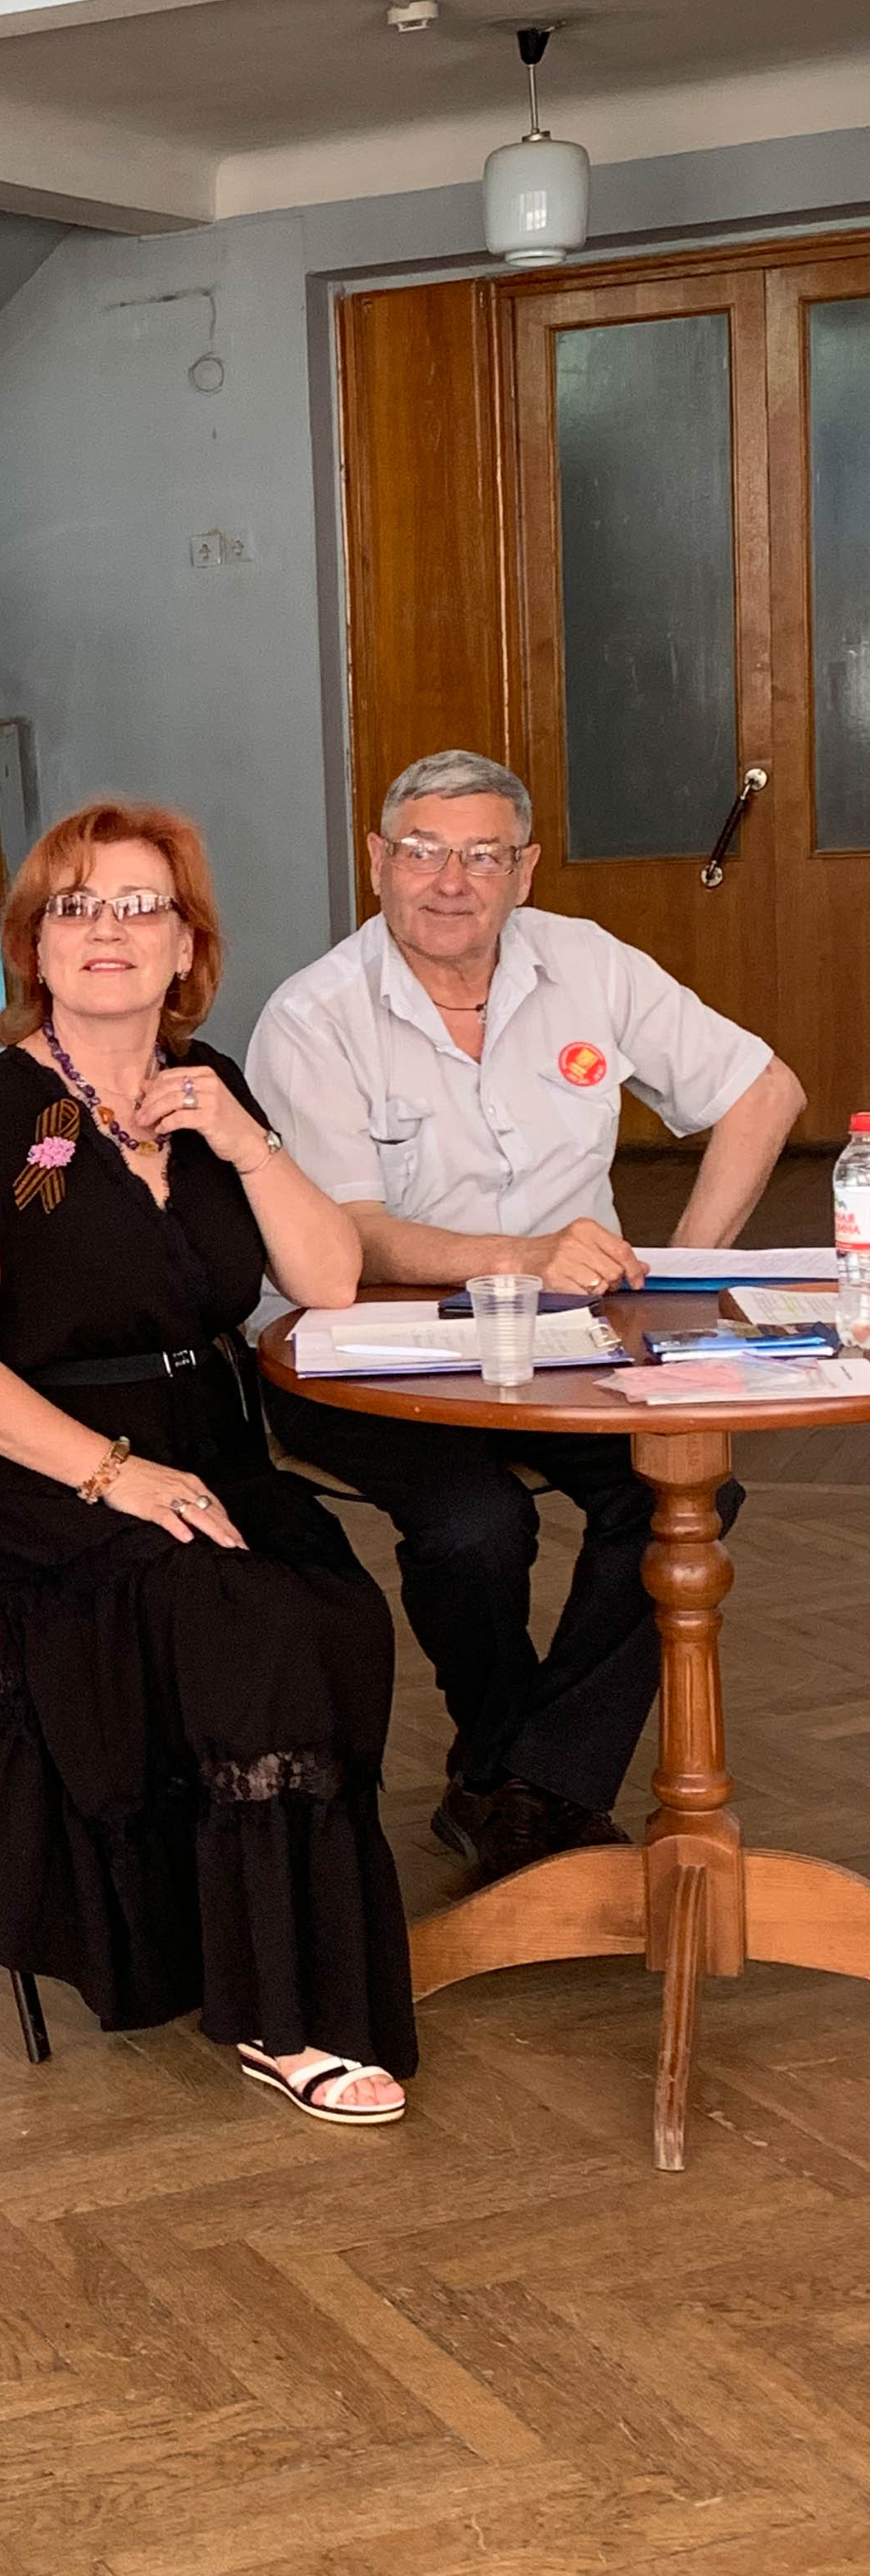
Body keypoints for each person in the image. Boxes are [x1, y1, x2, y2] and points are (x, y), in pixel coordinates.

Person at [0, 801, 416, 2123]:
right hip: (56, 1468)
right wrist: (112, 1475)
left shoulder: (213, 1088)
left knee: (335, 1606)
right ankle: (285, 2015)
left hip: (213, 1445)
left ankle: (280, 1944)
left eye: (141, 906)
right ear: (36, 945)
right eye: (75, 905)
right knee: (242, 1622)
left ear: (188, 946)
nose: (107, 930)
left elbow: (330, 1277)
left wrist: (246, 1141)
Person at [249, 749, 805, 1883]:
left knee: (685, 1489)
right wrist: (520, 1257)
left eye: (483, 856)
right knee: (475, 1525)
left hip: (570, 1338)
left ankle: (527, 1783)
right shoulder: (313, 1016)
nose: (450, 881)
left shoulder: (588, 962)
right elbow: (348, 1234)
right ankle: (515, 1774)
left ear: (526, 870)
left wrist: (675, 1265)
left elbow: (765, 1092)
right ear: (377, 860)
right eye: (423, 852)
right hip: (369, 1346)